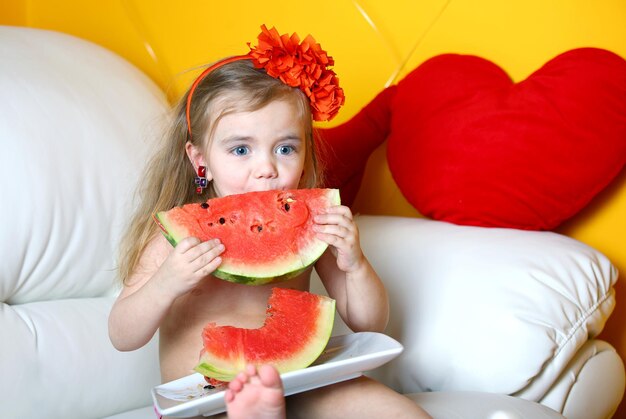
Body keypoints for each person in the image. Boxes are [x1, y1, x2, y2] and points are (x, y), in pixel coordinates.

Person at [108, 25, 430, 418]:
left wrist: (355, 264)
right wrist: (167, 282)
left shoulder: (314, 224)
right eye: (241, 149)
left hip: (303, 378)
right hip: (207, 398)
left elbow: (369, 322)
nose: (266, 168)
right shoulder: (175, 237)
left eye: (285, 147)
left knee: (394, 411)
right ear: (200, 160)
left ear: (306, 153)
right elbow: (123, 334)